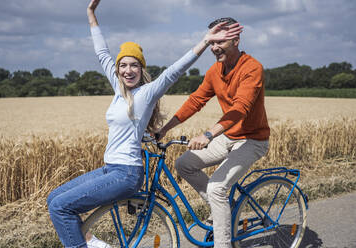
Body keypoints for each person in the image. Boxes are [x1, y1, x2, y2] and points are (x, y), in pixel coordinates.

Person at [46, 1, 243, 247]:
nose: (128, 70)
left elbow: (175, 70)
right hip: (111, 168)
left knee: (61, 207)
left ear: (141, 69)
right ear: (117, 70)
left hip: (126, 173)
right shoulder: (118, 88)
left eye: (134, 65)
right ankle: (92, 242)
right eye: (123, 65)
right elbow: (101, 52)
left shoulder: (147, 93)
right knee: (53, 198)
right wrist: (90, 13)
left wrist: (205, 40)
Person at [158, 17, 270, 248]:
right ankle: (222, 209)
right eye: (211, 42)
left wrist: (208, 135)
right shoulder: (214, 71)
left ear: (236, 40)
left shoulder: (252, 68)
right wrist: (164, 129)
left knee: (217, 188)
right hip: (227, 137)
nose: (214, 47)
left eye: (220, 42)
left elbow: (240, 109)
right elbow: (196, 100)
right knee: (184, 165)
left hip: (252, 139)